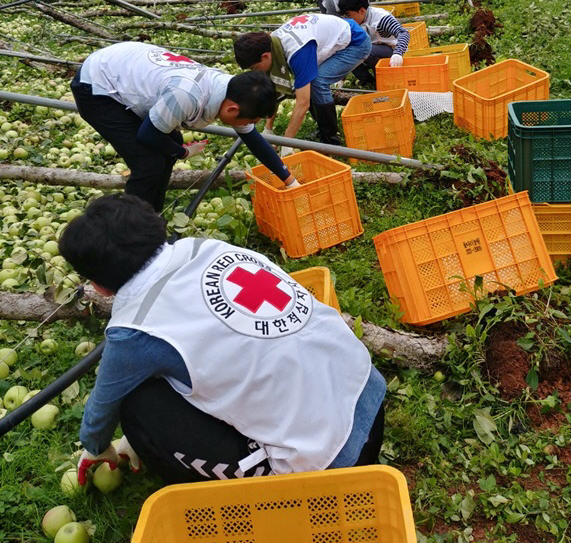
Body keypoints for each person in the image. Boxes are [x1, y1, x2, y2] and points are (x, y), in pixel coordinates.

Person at [61, 194, 386, 485]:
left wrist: (96, 447)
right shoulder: (206, 248)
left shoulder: (134, 329)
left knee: (136, 405)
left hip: (328, 463)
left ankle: (240, 491)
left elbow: (102, 406)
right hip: (367, 395)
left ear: (99, 286)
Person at [71, 42, 298, 212]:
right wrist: (184, 152)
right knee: (148, 162)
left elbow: (254, 141)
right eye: (249, 121)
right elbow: (148, 134)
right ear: (232, 110)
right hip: (97, 84)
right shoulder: (186, 95)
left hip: (127, 71)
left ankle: (152, 214)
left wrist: (290, 181)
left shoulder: (234, 89)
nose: (249, 126)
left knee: (169, 146)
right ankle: (130, 231)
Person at [233, 15, 371, 146]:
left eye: (255, 67)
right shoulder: (271, 43)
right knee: (308, 82)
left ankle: (330, 139)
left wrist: (286, 142)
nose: (256, 72)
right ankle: (322, 129)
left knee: (318, 82)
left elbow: (303, 103)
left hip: (356, 43)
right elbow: (273, 88)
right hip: (335, 37)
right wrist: (268, 128)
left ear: (265, 56)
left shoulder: (297, 51)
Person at [338, 0, 411, 87]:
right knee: (349, 49)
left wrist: (398, 53)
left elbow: (403, 33)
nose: (347, 19)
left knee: (364, 49)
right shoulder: (356, 21)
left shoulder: (381, 19)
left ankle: (383, 77)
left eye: (348, 15)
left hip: (391, 50)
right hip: (373, 48)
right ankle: (368, 80)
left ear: (362, 11)